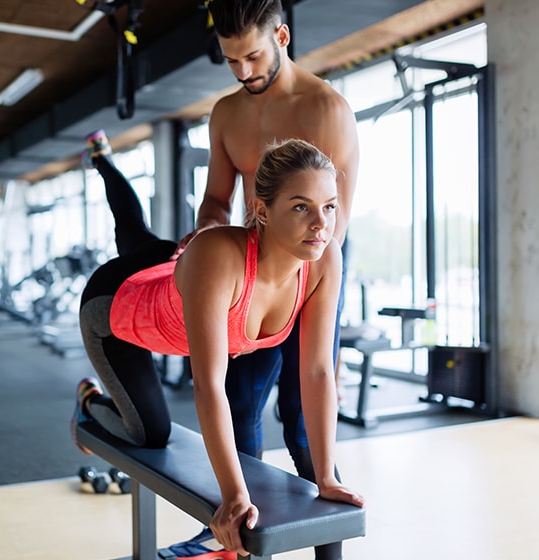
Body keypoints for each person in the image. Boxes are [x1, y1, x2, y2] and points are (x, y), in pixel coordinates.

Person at [72, 130, 365, 557]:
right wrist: (233, 495)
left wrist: (327, 478)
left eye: (330, 207)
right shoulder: (219, 256)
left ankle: (103, 162)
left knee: (138, 235)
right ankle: (86, 402)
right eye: (301, 207)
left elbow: (318, 372)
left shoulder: (323, 259)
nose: (321, 224)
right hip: (115, 310)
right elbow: (209, 384)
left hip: (175, 278)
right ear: (262, 210)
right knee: (151, 434)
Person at [174, 2, 360, 558]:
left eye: (253, 55)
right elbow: (216, 200)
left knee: (302, 420)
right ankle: (237, 530)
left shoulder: (326, 108)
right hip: (249, 274)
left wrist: (297, 291)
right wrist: (204, 241)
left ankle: (328, 535)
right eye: (231, 60)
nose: (243, 71)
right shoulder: (227, 113)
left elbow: (330, 223)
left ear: (281, 35)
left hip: (311, 272)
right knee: (240, 402)